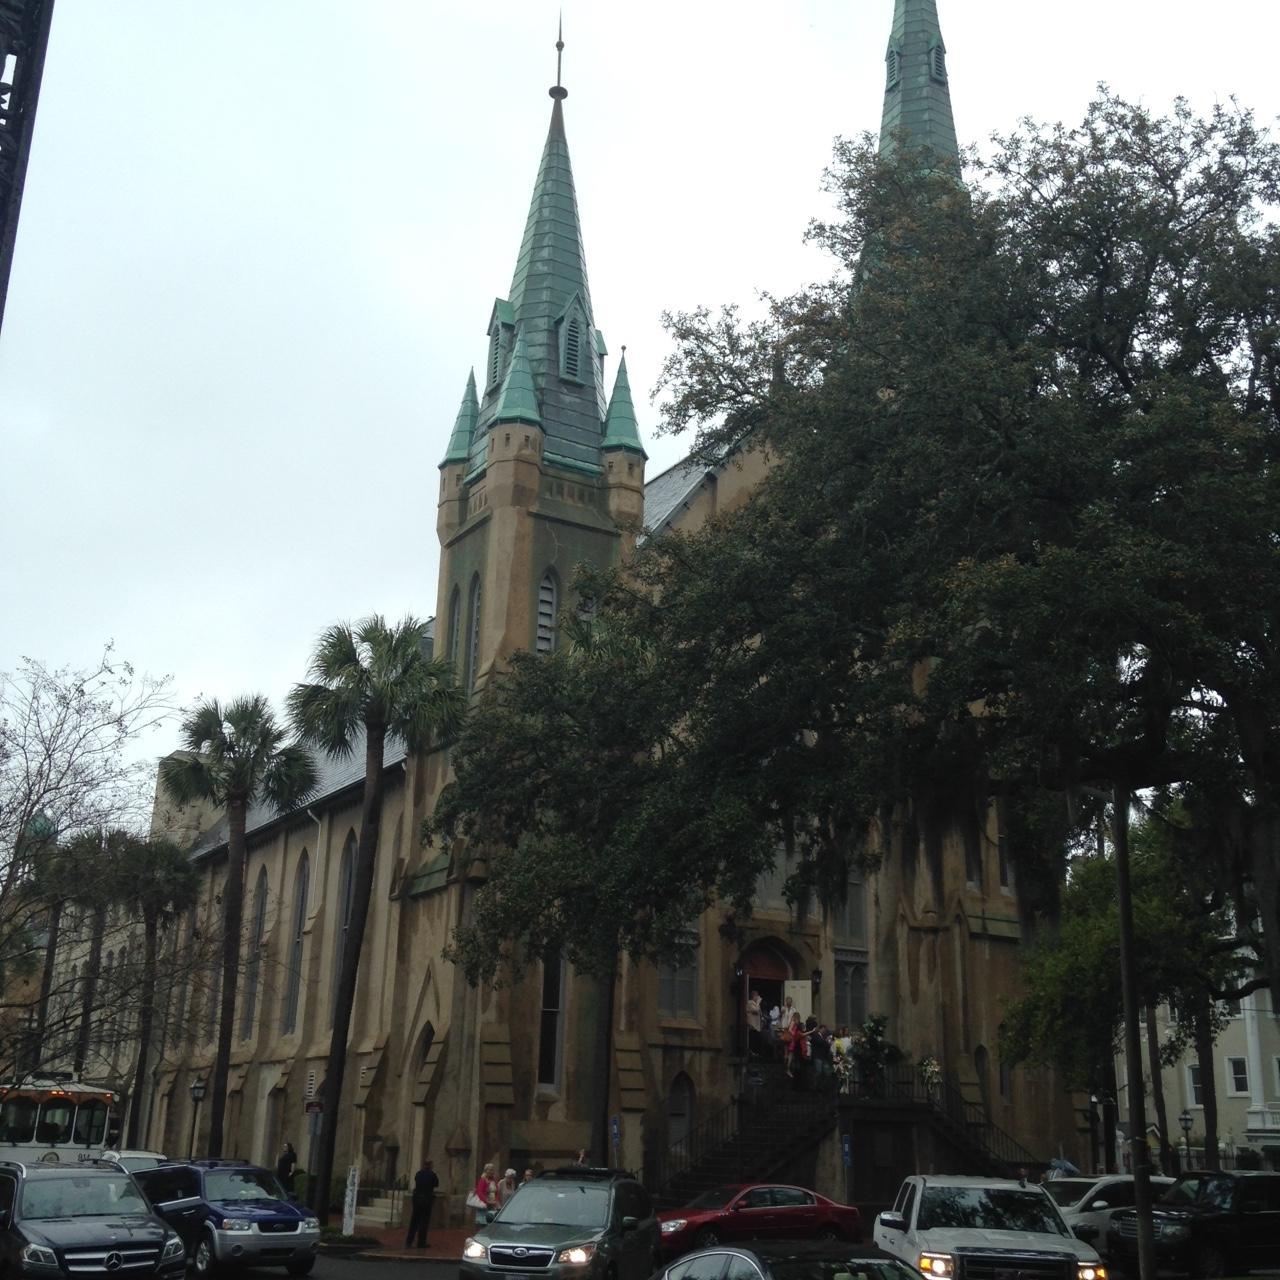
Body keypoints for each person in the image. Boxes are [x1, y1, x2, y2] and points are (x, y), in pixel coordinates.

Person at [405, 1157, 438, 1249]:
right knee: (424, 1222)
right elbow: (436, 1184)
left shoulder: (419, 1174)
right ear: (430, 1166)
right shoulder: (432, 1175)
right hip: (426, 1200)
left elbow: (416, 1181)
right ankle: (421, 1242)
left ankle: (409, 1241)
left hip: (417, 1199)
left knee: (414, 1221)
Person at [473, 1162, 498, 1226]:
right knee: (483, 1224)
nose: (490, 1171)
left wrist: (496, 1201)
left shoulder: (494, 1180)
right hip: (484, 1205)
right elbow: (479, 1192)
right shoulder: (483, 1180)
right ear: (486, 1171)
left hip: (493, 1205)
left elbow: (497, 1192)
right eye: (489, 1170)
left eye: (492, 1170)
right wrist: (487, 1201)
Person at [747, 990, 764, 1057]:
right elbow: (755, 1010)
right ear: (754, 996)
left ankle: (757, 1053)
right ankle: (752, 1053)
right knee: (753, 1039)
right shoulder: (750, 1003)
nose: (758, 997)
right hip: (752, 1025)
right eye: (757, 996)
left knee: (758, 1040)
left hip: (757, 1025)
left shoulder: (756, 1004)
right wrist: (758, 1003)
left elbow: (760, 1013)